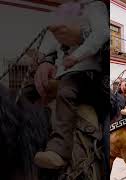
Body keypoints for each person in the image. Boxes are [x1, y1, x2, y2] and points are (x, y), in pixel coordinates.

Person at [22, 0, 108, 169]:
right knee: (27, 91)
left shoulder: (96, 6)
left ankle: (59, 151)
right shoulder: (67, 9)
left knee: (66, 92)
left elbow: (102, 34)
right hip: (64, 74)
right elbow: (54, 44)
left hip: (87, 74)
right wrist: (44, 59)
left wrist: (77, 53)